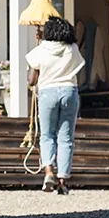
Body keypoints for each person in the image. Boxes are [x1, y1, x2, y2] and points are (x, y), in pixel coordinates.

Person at [26, 16, 85, 195]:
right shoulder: (72, 48)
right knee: (66, 137)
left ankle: (49, 172)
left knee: (47, 135)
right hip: (69, 91)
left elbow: (31, 80)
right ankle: (62, 181)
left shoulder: (40, 50)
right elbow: (78, 67)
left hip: (48, 93)